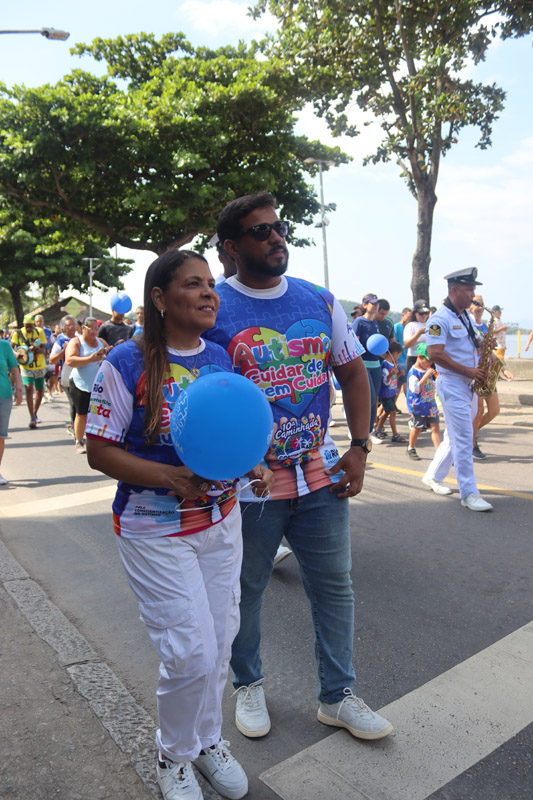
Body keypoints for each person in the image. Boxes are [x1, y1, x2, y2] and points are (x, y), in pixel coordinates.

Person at [206, 192, 393, 743]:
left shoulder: (318, 298)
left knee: (335, 585)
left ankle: (337, 696)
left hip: (319, 470)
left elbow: (353, 374)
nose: (275, 238)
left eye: (278, 228)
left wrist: (359, 447)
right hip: (249, 480)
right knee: (248, 587)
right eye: (260, 232)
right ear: (231, 247)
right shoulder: (214, 306)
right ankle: (249, 684)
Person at [86, 249, 273, 800]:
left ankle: (208, 742)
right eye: (194, 284)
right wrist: (170, 479)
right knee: (188, 650)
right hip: (155, 529)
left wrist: (254, 464)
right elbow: (99, 450)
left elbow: (231, 435)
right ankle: (172, 756)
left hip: (221, 521)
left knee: (220, 638)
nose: (210, 293)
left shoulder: (220, 358)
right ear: (161, 299)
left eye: (211, 284)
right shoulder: (126, 361)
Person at [422, 268, 492, 511]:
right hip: (453, 383)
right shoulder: (439, 319)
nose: (473, 294)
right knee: (464, 438)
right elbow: (434, 354)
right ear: (454, 290)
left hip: (469, 385)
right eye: (469, 289)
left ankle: (432, 475)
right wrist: (468, 371)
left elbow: (469, 346)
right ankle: (469, 493)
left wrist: (483, 347)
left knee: (456, 435)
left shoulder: (466, 317)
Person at [469, 297, 513, 459]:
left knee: (494, 410)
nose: (479, 307)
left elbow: (492, 353)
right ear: (469, 306)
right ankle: (472, 443)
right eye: (476, 303)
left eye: (481, 304)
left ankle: (471, 434)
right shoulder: (469, 325)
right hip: (477, 373)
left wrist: (504, 369)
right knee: (479, 411)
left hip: (488, 372)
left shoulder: (485, 327)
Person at [65, 317, 108, 454]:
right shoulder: (76, 342)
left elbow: (109, 353)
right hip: (80, 384)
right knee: (81, 414)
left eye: (97, 329)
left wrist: (110, 350)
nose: (94, 332)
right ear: (83, 328)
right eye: (91, 329)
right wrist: (90, 359)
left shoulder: (101, 342)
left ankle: (97, 441)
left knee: (98, 414)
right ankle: (79, 441)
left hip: (98, 385)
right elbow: (70, 360)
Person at [351, 293, 383, 444]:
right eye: (372, 303)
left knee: (374, 398)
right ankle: (360, 431)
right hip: (363, 363)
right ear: (365, 305)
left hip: (376, 364)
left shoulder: (375, 323)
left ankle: (369, 431)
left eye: (377, 304)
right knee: (367, 398)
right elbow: (353, 343)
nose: (375, 306)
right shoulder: (359, 322)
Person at [406, 343, 442, 463]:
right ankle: (411, 447)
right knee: (417, 428)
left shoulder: (429, 370)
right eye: (428, 360)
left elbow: (433, 384)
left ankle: (439, 453)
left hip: (431, 403)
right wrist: (426, 375)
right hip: (419, 405)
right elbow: (415, 388)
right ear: (420, 357)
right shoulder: (413, 373)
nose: (430, 364)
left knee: (435, 427)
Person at [10, 314, 47, 429]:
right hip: (26, 367)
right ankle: (32, 417)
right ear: (23, 325)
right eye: (27, 326)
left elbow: (44, 349)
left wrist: (36, 349)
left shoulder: (39, 332)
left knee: (40, 391)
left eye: (31, 326)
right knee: (29, 388)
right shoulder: (18, 333)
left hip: (39, 366)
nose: (29, 329)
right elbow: (11, 347)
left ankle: (35, 413)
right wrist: (17, 353)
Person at [50, 315, 77, 438]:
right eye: (68, 325)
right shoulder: (60, 341)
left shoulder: (79, 339)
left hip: (79, 375)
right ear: (63, 328)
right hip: (66, 375)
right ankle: (75, 430)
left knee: (80, 403)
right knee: (73, 402)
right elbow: (52, 360)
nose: (72, 327)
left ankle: (75, 425)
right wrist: (63, 351)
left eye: (73, 324)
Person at [373, 341, 407, 443]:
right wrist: (391, 374)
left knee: (387, 412)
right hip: (385, 394)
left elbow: (392, 379)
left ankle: (378, 429)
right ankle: (395, 434)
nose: (398, 357)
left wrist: (399, 375)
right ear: (395, 354)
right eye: (399, 355)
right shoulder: (385, 365)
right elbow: (386, 381)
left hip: (391, 392)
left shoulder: (393, 364)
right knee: (392, 412)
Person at [0, 336, 23, 484]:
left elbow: (14, 368)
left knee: (0, 436)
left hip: (4, 395)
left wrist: (19, 388)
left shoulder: (4, 346)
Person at [403, 300, 431, 374]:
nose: (424, 315)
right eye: (421, 313)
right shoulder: (411, 325)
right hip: (414, 358)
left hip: (429, 359)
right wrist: (419, 333)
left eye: (426, 313)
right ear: (415, 313)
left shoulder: (431, 324)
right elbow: (406, 345)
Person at [394, 307, 411, 406]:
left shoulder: (409, 328)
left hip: (407, 358)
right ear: (403, 315)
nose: (409, 319)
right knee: (403, 385)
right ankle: (410, 407)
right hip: (400, 359)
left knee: (401, 384)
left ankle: (393, 406)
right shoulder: (397, 327)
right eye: (408, 317)